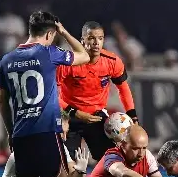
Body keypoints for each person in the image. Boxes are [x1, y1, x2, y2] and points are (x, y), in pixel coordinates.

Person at [0, 10, 92, 177]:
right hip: (46, 132)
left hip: (21, 135)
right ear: (50, 33)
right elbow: (84, 56)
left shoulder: (6, 60)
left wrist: (10, 132)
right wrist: (65, 32)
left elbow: (2, 101)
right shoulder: (49, 53)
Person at [57, 21, 138, 161]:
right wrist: (71, 114)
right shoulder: (68, 62)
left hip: (96, 117)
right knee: (65, 164)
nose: (96, 42)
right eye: (91, 38)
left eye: (100, 38)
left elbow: (123, 88)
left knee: (111, 160)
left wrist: (133, 116)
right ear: (82, 40)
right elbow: (52, 94)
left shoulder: (112, 61)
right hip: (69, 116)